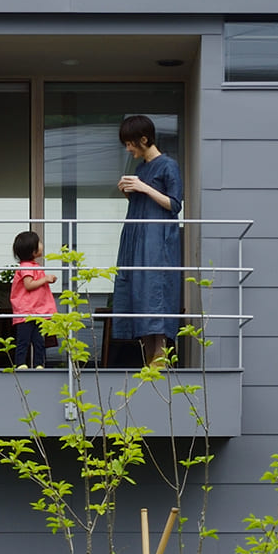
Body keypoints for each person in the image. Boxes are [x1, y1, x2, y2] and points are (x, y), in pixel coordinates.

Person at [109, 114, 183, 366]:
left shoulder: (168, 165)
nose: (128, 149)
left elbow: (174, 204)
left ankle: (160, 356)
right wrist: (129, 192)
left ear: (144, 139)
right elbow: (144, 203)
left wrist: (144, 187)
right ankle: (148, 357)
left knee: (155, 288)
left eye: (130, 143)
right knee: (136, 289)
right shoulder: (141, 169)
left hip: (157, 239)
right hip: (137, 236)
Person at [9, 229, 56, 369]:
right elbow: (28, 285)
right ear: (32, 250)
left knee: (38, 340)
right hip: (27, 311)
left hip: (35, 311)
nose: (42, 245)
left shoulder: (33, 266)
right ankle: (22, 364)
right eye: (39, 243)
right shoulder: (26, 267)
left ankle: (38, 364)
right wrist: (45, 279)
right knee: (25, 340)